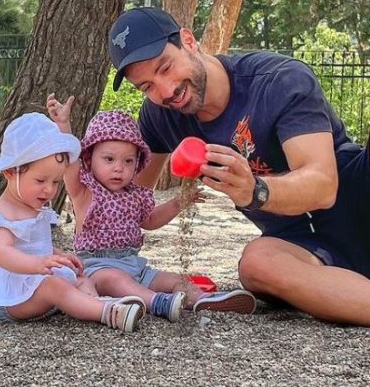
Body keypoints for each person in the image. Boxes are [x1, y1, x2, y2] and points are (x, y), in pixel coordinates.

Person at [105, 7, 370, 348]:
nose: (165, 90)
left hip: (365, 203)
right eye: (147, 86)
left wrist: (255, 190)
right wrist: (94, 245)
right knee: (255, 264)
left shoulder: (277, 79)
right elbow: (129, 197)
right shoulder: (161, 116)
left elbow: (322, 186)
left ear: (189, 41)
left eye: (165, 67)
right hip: (304, 250)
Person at [45, 97, 256, 322]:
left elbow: (151, 220)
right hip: (98, 267)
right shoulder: (84, 191)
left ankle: (202, 299)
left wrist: (178, 203)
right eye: (109, 159)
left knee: (176, 280)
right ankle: (158, 302)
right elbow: (70, 162)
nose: (119, 168)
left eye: (128, 161)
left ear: (137, 162)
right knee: (116, 280)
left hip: (135, 265)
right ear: (89, 158)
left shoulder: (135, 195)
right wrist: (63, 125)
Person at [0, 112, 143, 332]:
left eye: (55, 182)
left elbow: (35, 245)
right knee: (54, 286)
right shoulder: (3, 212)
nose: (49, 190)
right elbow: (2, 254)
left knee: (82, 278)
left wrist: (59, 255)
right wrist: (38, 264)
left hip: (38, 282)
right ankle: (106, 312)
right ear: (10, 172)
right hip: (11, 296)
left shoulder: (35, 207)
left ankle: (95, 303)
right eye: (40, 180)